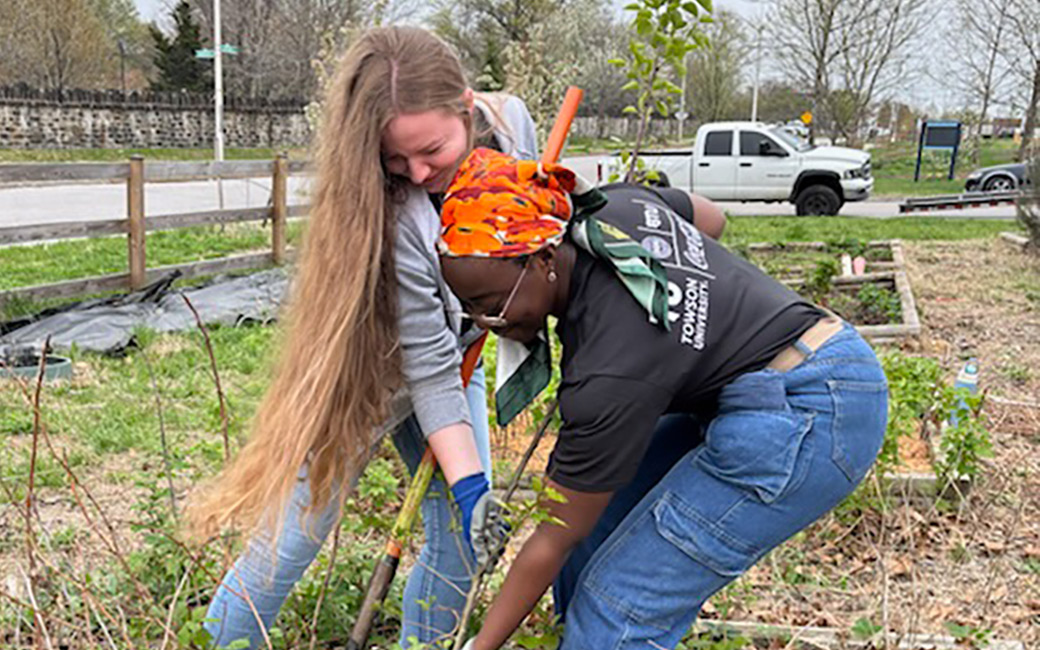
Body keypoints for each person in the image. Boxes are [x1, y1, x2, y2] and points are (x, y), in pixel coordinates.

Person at [436, 148, 889, 650]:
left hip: (814, 411)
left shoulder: (611, 367)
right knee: (599, 531)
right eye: (470, 309)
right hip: (779, 375)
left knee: (619, 610)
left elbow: (552, 532)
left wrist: (480, 646)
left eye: (491, 305)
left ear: (545, 257)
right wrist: (691, 316)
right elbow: (711, 219)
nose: (485, 324)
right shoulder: (613, 208)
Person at [186, 27, 537, 648]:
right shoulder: (402, 215)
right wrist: (475, 484)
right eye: (394, 161)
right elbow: (424, 369)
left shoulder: (513, 129)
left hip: (454, 355)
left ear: (464, 105)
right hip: (368, 367)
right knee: (300, 529)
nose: (419, 172)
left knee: (461, 533)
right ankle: (214, 640)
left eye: (432, 150)